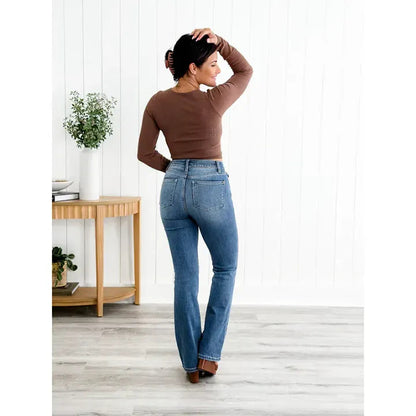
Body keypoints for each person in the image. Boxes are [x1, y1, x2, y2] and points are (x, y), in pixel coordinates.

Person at [137, 28, 253, 383]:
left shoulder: (157, 101)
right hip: (210, 186)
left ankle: (190, 363)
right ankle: (208, 356)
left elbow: (145, 153)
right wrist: (222, 42)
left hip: (172, 190)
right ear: (192, 68)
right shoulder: (213, 100)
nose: (219, 70)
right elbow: (245, 70)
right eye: (213, 64)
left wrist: (175, 170)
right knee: (225, 268)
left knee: (185, 277)